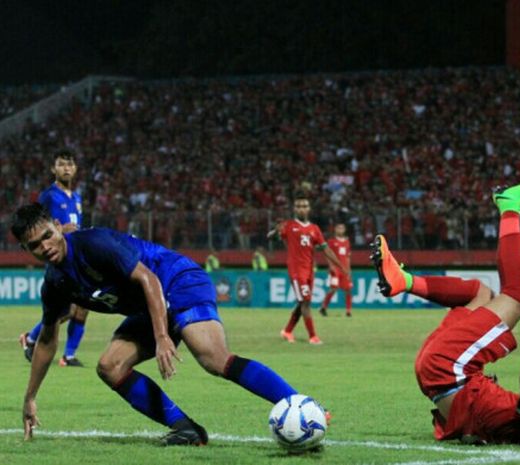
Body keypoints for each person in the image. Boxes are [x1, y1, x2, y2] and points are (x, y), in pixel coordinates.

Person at [12, 203, 304, 445]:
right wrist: (30, 398)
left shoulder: (94, 243)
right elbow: (48, 340)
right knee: (110, 367)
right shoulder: (54, 283)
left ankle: (299, 404)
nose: (45, 247)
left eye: (48, 235)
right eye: (34, 245)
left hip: (177, 279)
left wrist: (162, 336)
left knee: (212, 358)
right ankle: (187, 430)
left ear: (58, 225)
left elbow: (148, 279)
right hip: (147, 305)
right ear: (27, 249)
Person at [371, 180, 520, 445]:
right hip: (438, 374)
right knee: (481, 293)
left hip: (449, 367)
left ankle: (510, 206)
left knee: (517, 297)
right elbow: (488, 422)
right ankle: (403, 281)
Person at [19, 149, 89, 367]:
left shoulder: (76, 198)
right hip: (57, 257)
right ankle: (31, 338)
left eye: (70, 165)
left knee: (82, 307)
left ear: (75, 169)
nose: (66, 168)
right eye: (61, 164)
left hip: (75, 255)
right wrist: (59, 230)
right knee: (66, 309)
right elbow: (36, 224)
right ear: (53, 169)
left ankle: (68, 356)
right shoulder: (48, 196)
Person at [268, 193, 348, 344]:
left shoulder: (314, 229)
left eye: (304, 206)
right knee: (305, 302)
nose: (302, 209)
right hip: (296, 271)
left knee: (303, 302)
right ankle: (313, 336)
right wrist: (275, 230)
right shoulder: (289, 225)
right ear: (294, 208)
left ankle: (287, 331)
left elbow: (326, 249)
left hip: (309, 271)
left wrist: (340, 266)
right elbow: (270, 236)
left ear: (309, 209)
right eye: (298, 206)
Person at [319, 222, 353, 317]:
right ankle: (323, 307)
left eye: (342, 228)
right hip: (335, 269)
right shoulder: (331, 241)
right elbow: (327, 254)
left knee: (348, 289)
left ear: (344, 230)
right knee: (333, 287)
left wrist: (349, 270)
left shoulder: (347, 242)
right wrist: (331, 266)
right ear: (335, 229)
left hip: (344, 269)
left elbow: (348, 257)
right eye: (338, 228)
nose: (340, 230)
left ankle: (348, 311)